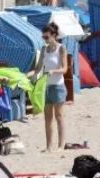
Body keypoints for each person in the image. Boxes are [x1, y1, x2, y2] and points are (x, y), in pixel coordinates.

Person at [33, 23, 68, 152]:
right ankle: (48, 146)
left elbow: (65, 69)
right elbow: (38, 68)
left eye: (47, 37)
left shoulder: (61, 48)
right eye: (43, 37)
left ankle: (61, 145)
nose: (45, 39)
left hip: (58, 86)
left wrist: (54, 71)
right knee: (47, 118)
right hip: (46, 86)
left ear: (54, 35)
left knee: (59, 116)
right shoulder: (43, 49)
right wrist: (26, 75)